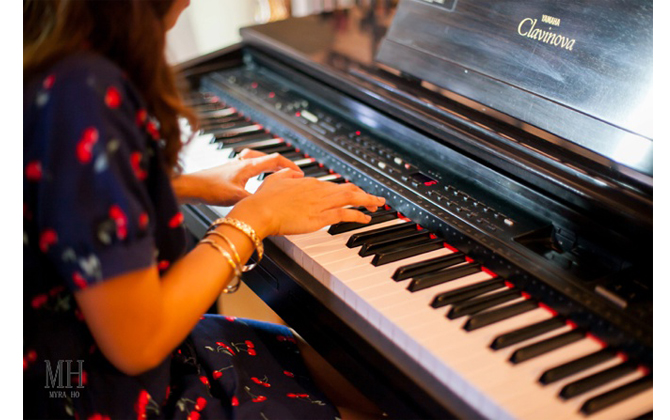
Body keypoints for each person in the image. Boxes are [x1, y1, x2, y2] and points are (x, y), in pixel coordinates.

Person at [23, 1, 386, 418]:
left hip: (62, 359)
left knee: (354, 384)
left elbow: (60, 194)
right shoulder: (81, 91)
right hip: (81, 388)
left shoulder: (51, 49)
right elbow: (137, 344)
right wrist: (256, 217)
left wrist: (182, 185)